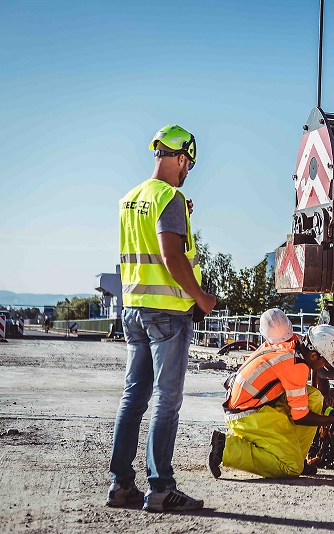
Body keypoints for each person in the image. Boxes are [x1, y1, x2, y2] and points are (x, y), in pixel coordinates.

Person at [106, 125, 216, 512]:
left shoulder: (130, 199)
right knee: (166, 401)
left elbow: (146, 248)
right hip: (167, 314)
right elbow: (171, 258)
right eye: (188, 165)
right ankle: (160, 489)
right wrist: (201, 297)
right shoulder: (170, 197)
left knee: (133, 397)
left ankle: (121, 487)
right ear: (182, 157)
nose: (187, 174)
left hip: (132, 309)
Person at [207, 309, 334, 479]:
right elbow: (300, 417)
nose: (325, 366)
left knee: (315, 398)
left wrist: (327, 410)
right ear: (313, 355)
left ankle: (299, 458)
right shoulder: (296, 366)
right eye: (325, 360)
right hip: (246, 415)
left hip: (259, 403)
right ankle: (227, 448)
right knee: (290, 467)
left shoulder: (294, 344)